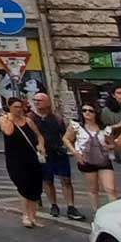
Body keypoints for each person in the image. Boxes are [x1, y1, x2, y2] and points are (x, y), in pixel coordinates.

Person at [30, 92, 82, 221]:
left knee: (66, 179)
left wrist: (66, 146)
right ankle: (53, 204)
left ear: (48, 103)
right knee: (47, 180)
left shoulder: (57, 119)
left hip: (58, 152)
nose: (37, 102)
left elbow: (65, 135)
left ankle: (71, 206)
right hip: (43, 154)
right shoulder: (30, 118)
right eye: (35, 100)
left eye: (40, 100)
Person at [0, 96, 47, 228]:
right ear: (9, 107)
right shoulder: (4, 119)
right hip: (15, 159)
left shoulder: (28, 121)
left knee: (35, 187)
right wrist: (10, 117)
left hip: (31, 157)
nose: (19, 110)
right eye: (15, 107)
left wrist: (41, 145)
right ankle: (25, 215)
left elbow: (39, 135)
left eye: (20, 107)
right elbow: (8, 132)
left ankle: (33, 216)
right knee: (23, 185)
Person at [73, 104, 117, 212]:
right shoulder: (77, 127)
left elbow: (112, 144)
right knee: (93, 189)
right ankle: (96, 211)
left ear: (96, 113)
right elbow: (66, 138)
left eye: (90, 110)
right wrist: (76, 152)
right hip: (87, 160)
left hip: (104, 160)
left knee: (110, 188)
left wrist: (109, 146)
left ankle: (115, 213)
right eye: (84, 110)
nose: (87, 113)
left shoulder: (104, 128)